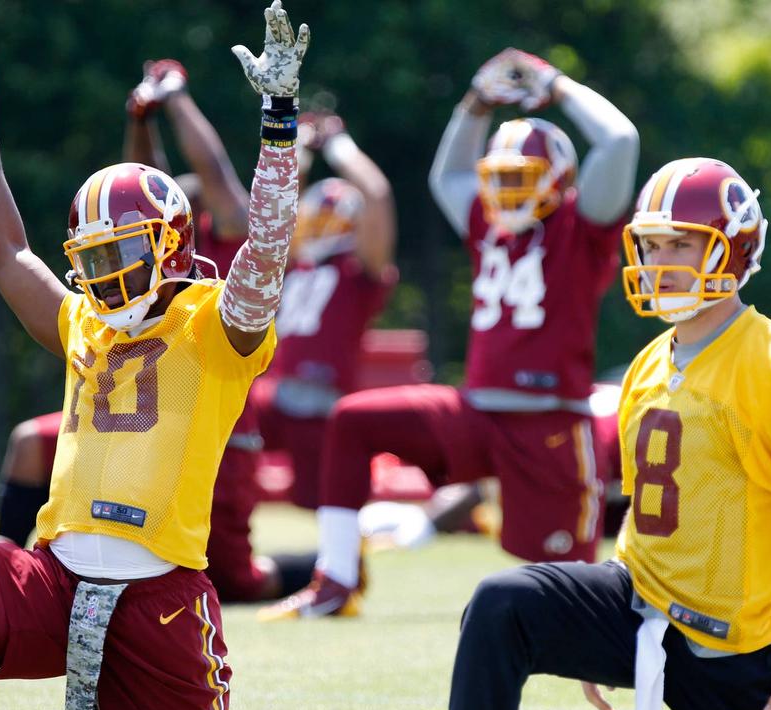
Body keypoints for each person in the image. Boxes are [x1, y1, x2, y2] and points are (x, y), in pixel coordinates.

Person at [0, 5, 306, 710]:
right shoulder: (86, 320)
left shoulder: (212, 325)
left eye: (118, 253)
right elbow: (2, 251)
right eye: (90, 257)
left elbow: (265, 253)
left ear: (168, 245)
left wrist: (279, 124)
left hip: (161, 603)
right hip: (53, 583)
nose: (100, 275)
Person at [391, 157, 771, 710]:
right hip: (639, 603)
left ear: (734, 249)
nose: (660, 262)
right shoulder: (649, 362)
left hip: (733, 647)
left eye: (682, 245)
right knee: (502, 603)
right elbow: (646, 511)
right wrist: (598, 629)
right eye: (651, 244)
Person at [260, 47, 639, 620]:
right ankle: (336, 580)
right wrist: (475, 103)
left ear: (560, 181)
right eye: (501, 179)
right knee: (354, 420)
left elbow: (620, 140)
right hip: (477, 412)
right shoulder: (489, 225)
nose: (507, 192)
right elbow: (451, 174)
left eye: (523, 179)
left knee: (568, 593)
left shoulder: (582, 231)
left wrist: (555, 84)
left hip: (549, 425)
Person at [0, 59, 315, 602]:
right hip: (121, 411)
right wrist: (141, 117)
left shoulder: (217, 276)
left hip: (201, 421)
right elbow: (131, 187)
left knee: (231, 580)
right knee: (30, 443)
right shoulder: (107, 292)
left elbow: (244, 212)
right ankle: (10, 579)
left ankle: (323, 564)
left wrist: (179, 97)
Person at [248, 108, 398, 512]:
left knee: (325, 505)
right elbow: (279, 205)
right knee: (217, 415)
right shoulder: (299, 264)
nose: (318, 226)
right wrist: (301, 150)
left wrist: (338, 146)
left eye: (330, 218)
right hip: (275, 393)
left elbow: (377, 194)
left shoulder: (358, 270)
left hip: (323, 403)